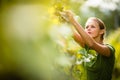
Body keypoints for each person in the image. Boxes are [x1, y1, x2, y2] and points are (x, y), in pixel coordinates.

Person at [60, 10, 115, 80]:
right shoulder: (88, 47)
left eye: (92, 27)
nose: (88, 28)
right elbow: (73, 34)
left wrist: (73, 21)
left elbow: (92, 44)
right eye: (86, 27)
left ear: (102, 31)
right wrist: (66, 21)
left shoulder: (109, 49)